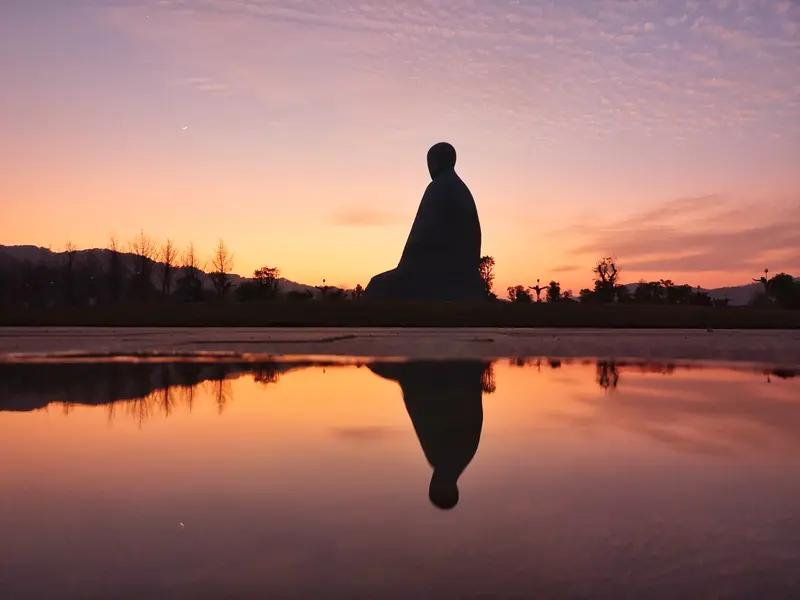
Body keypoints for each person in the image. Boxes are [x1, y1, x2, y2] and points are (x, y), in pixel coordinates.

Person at [365, 142, 485, 300]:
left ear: (436, 161)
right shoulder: (461, 188)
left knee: (377, 285)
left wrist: (405, 267)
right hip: (462, 271)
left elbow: (419, 238)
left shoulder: (438, 187)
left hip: (438, 271)